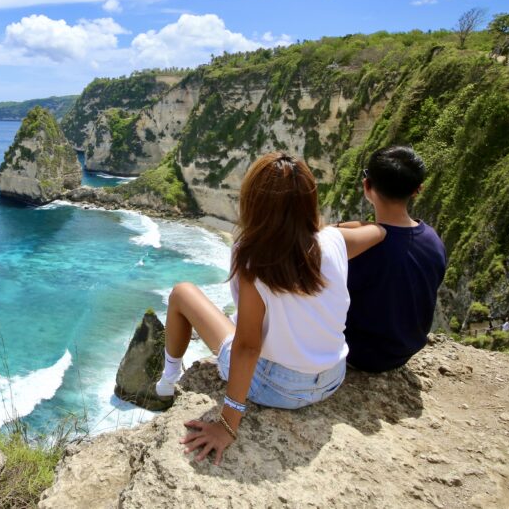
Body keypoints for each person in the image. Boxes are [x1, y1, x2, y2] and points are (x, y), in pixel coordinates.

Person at [155, 152, 386, 465]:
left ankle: (168, 381)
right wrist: (334, 229)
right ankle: (169, 380)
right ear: (310, 200)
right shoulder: (333, 240)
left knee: (183, 293)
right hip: (332, 377)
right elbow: (378, 231)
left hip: (279, 388)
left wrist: (227, 424)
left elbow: (248, 346)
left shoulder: (254, 259)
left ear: (253, 202)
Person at [337, 146, 447, 372]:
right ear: (418, 189)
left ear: (367, 186)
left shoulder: (365, 249)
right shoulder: (433, 240)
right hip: (404, 351)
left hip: (358, 353)